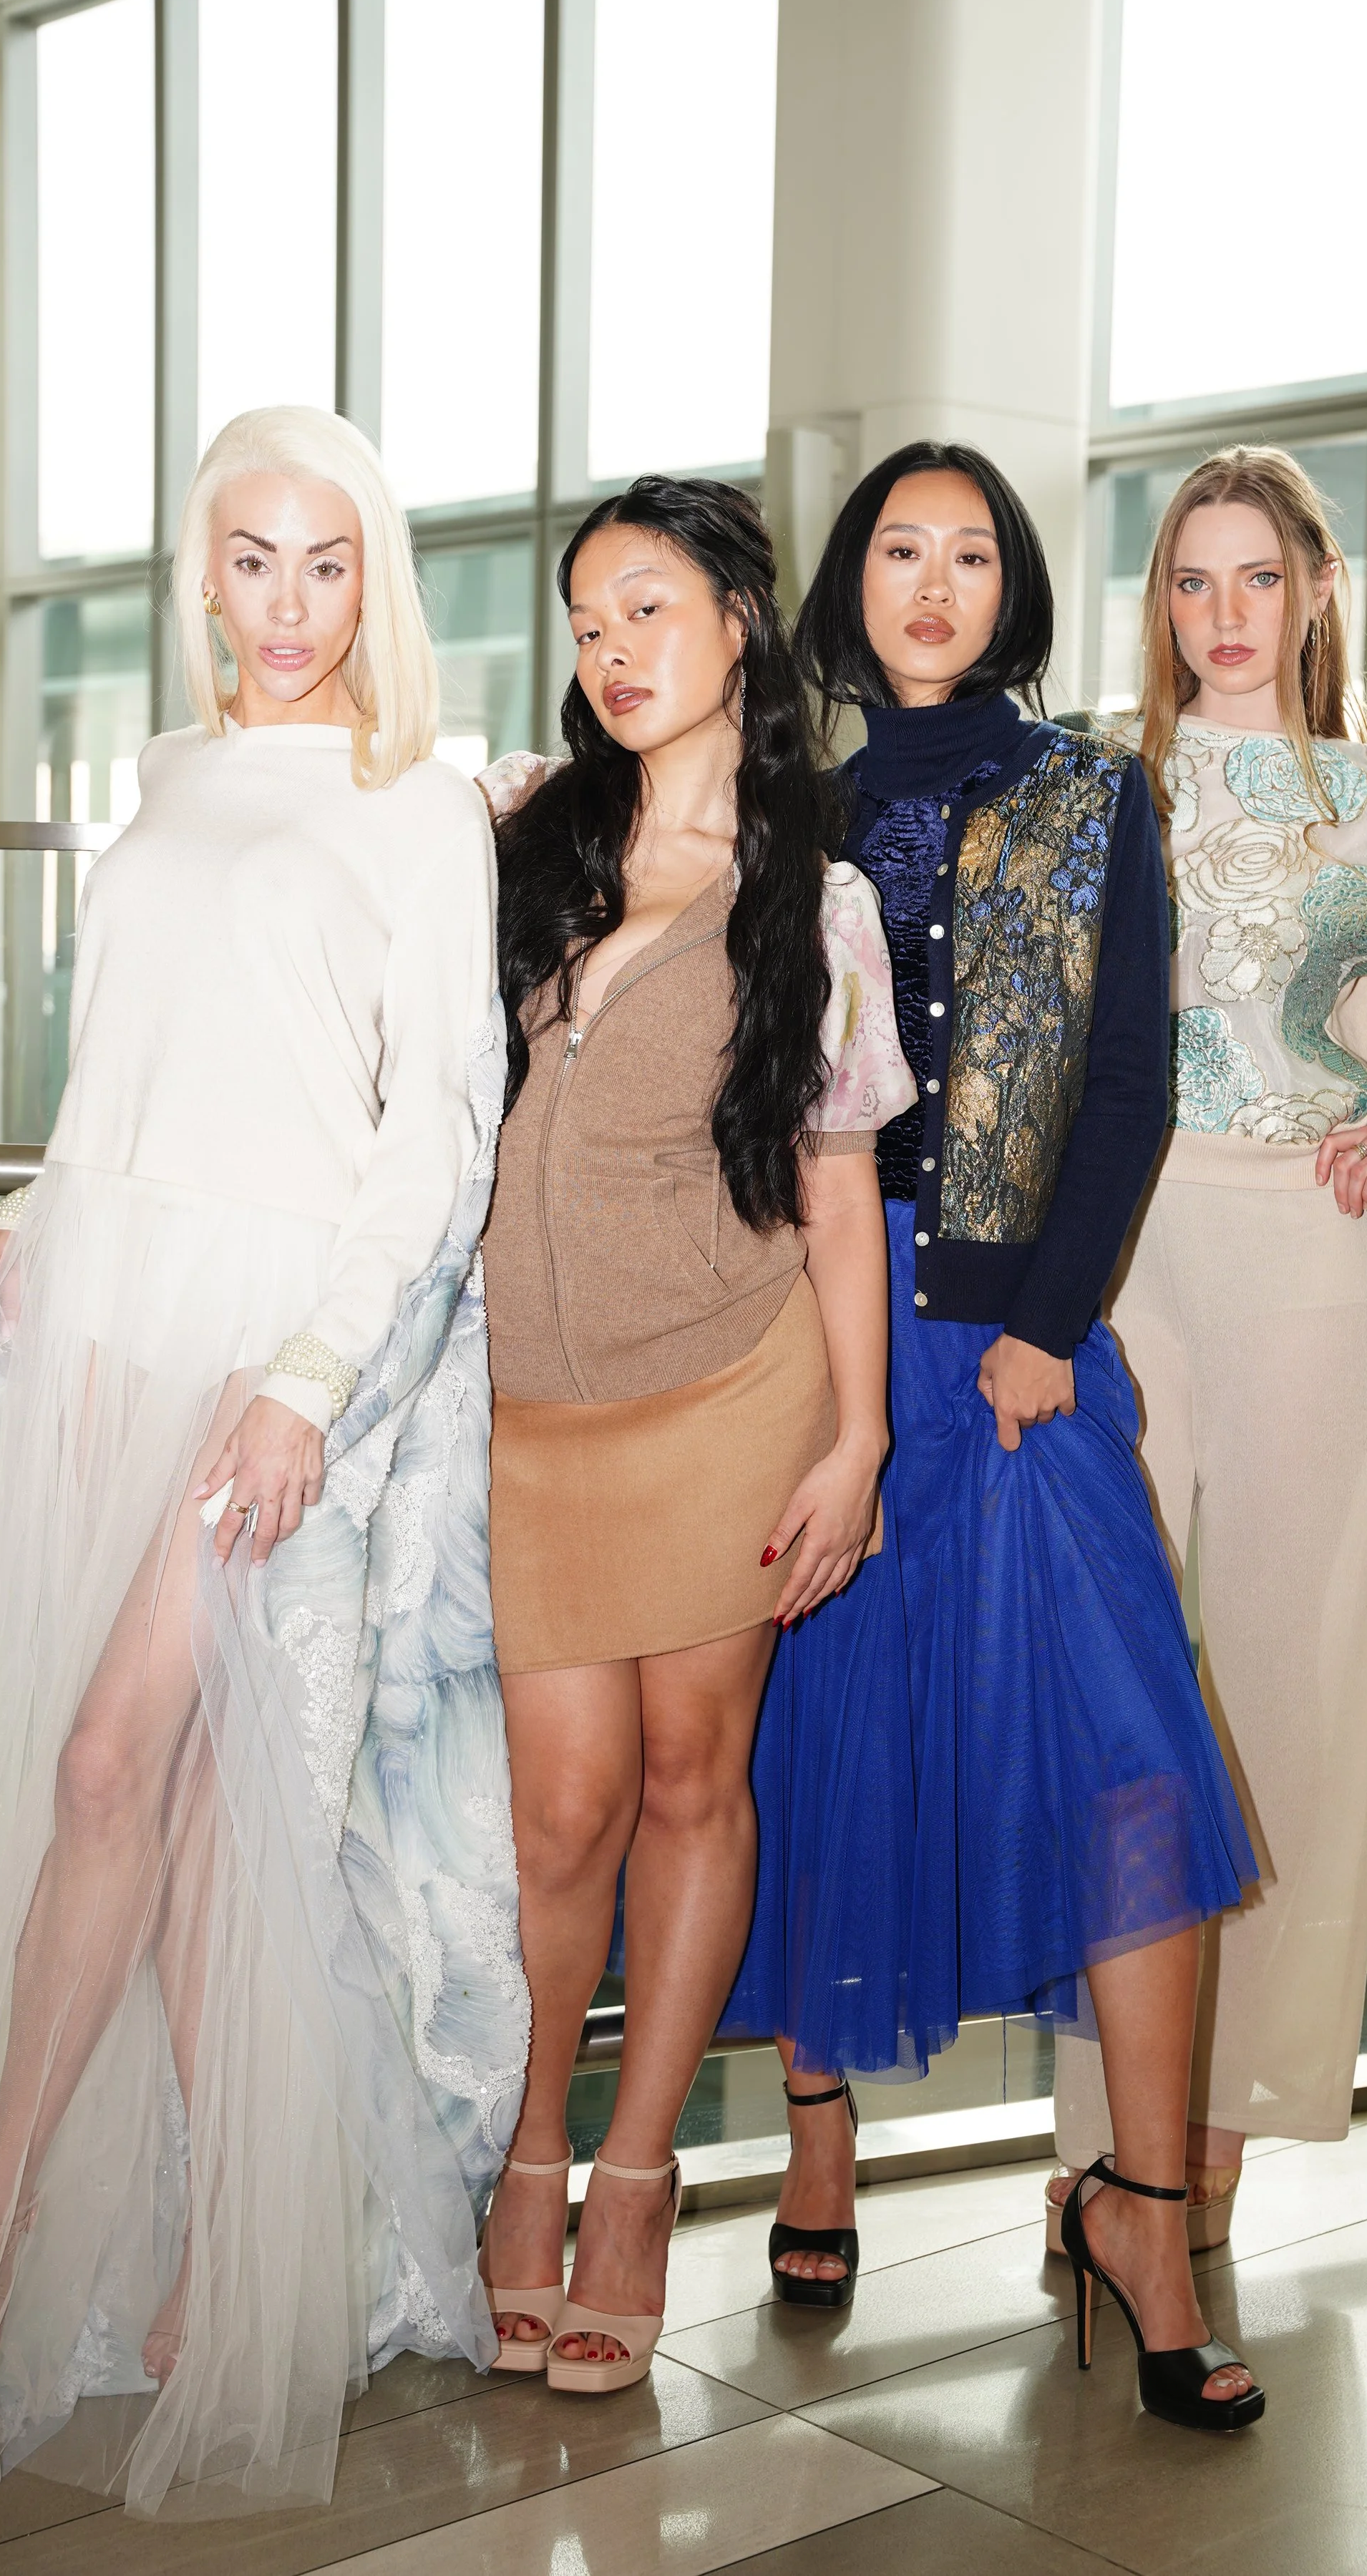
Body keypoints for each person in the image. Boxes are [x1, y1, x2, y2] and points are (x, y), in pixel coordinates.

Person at [0, 406, 525, 2513]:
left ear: (378, 577)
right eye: (255, 559)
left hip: (267, 1342)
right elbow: (112, 1062)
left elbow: (438, 1123)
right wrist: (30, 1217)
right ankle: (250, 2248)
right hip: (102, 1308)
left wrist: (312, 1374)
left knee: (101, 1762)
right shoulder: (154, 780)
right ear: (200, 569)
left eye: (333, 563)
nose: (294, 606)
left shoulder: (421, 799)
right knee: (190, 1817)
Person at [726, 442, 1265, 2431]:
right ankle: (811, 2133)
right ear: (849, 586)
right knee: (798, 1730)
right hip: (807, 1328)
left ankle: (1139, 2203)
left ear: (1011, 586)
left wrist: (1048, 1321)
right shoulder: (781, 801)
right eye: (897, 549)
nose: (932, 582)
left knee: (1131, 1757)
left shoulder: (1081, 790)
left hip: (1019, 1348)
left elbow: (1123, 1075)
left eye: (968, 553)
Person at [1049, 442, 1367, 2245]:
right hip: (1109, 1261)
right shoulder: (1094, 789)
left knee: (1288, 1687)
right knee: (1110, 1688)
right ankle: (1100, 2131)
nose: (1220, 617)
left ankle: (1220, 2138)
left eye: (1252, 578)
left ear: (1313, 588)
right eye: (1189, 583)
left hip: (1300, 1258)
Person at [473, 477, 910, 2395]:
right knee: (557, 1806)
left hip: (734, 1398)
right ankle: (522, 2140)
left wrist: (858, 1443)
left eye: (647, 607)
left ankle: (633, 2172)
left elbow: (832, 1194)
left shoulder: (813, 899)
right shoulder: (517, 842)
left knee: (685, 1778)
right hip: (529, 1416)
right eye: (586, 624)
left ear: (737, 617)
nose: (615, 652)